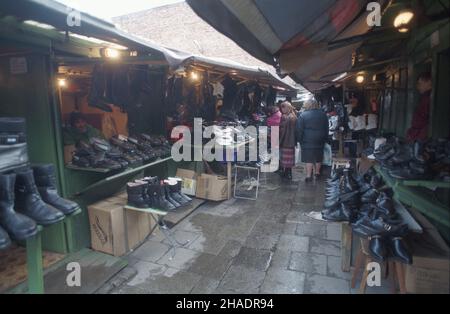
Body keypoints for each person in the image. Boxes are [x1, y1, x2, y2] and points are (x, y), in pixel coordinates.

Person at [296, 99, 329, 182]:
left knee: (309, 157)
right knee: (318, 155)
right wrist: (325, 137)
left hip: (307, 139)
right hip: (320, 138)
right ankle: (317, 173)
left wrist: (299, 139)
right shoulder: (323, 114)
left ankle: (308, 175)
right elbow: (326, 127)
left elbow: (300, 129)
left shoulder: (303, 115)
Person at [406, 72, 432, 143]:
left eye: (420, 84)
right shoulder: (425, 97)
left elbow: (425, 118)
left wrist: (417, 134)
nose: (418, 87)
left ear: (429, 82)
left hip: (422, 136)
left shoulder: (428, 98)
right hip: (418, 134)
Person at [279, 102, 297, 180]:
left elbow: (282, 130)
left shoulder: (285, 117)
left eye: (284, 107)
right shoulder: (294, 116)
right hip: (291, 141)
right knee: (289, 159)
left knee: (285, 158)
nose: (282, 109)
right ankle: (288, 173)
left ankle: (287, 173)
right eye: (282, 107)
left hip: (285, 140)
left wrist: (279, 141)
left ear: (288, 108)